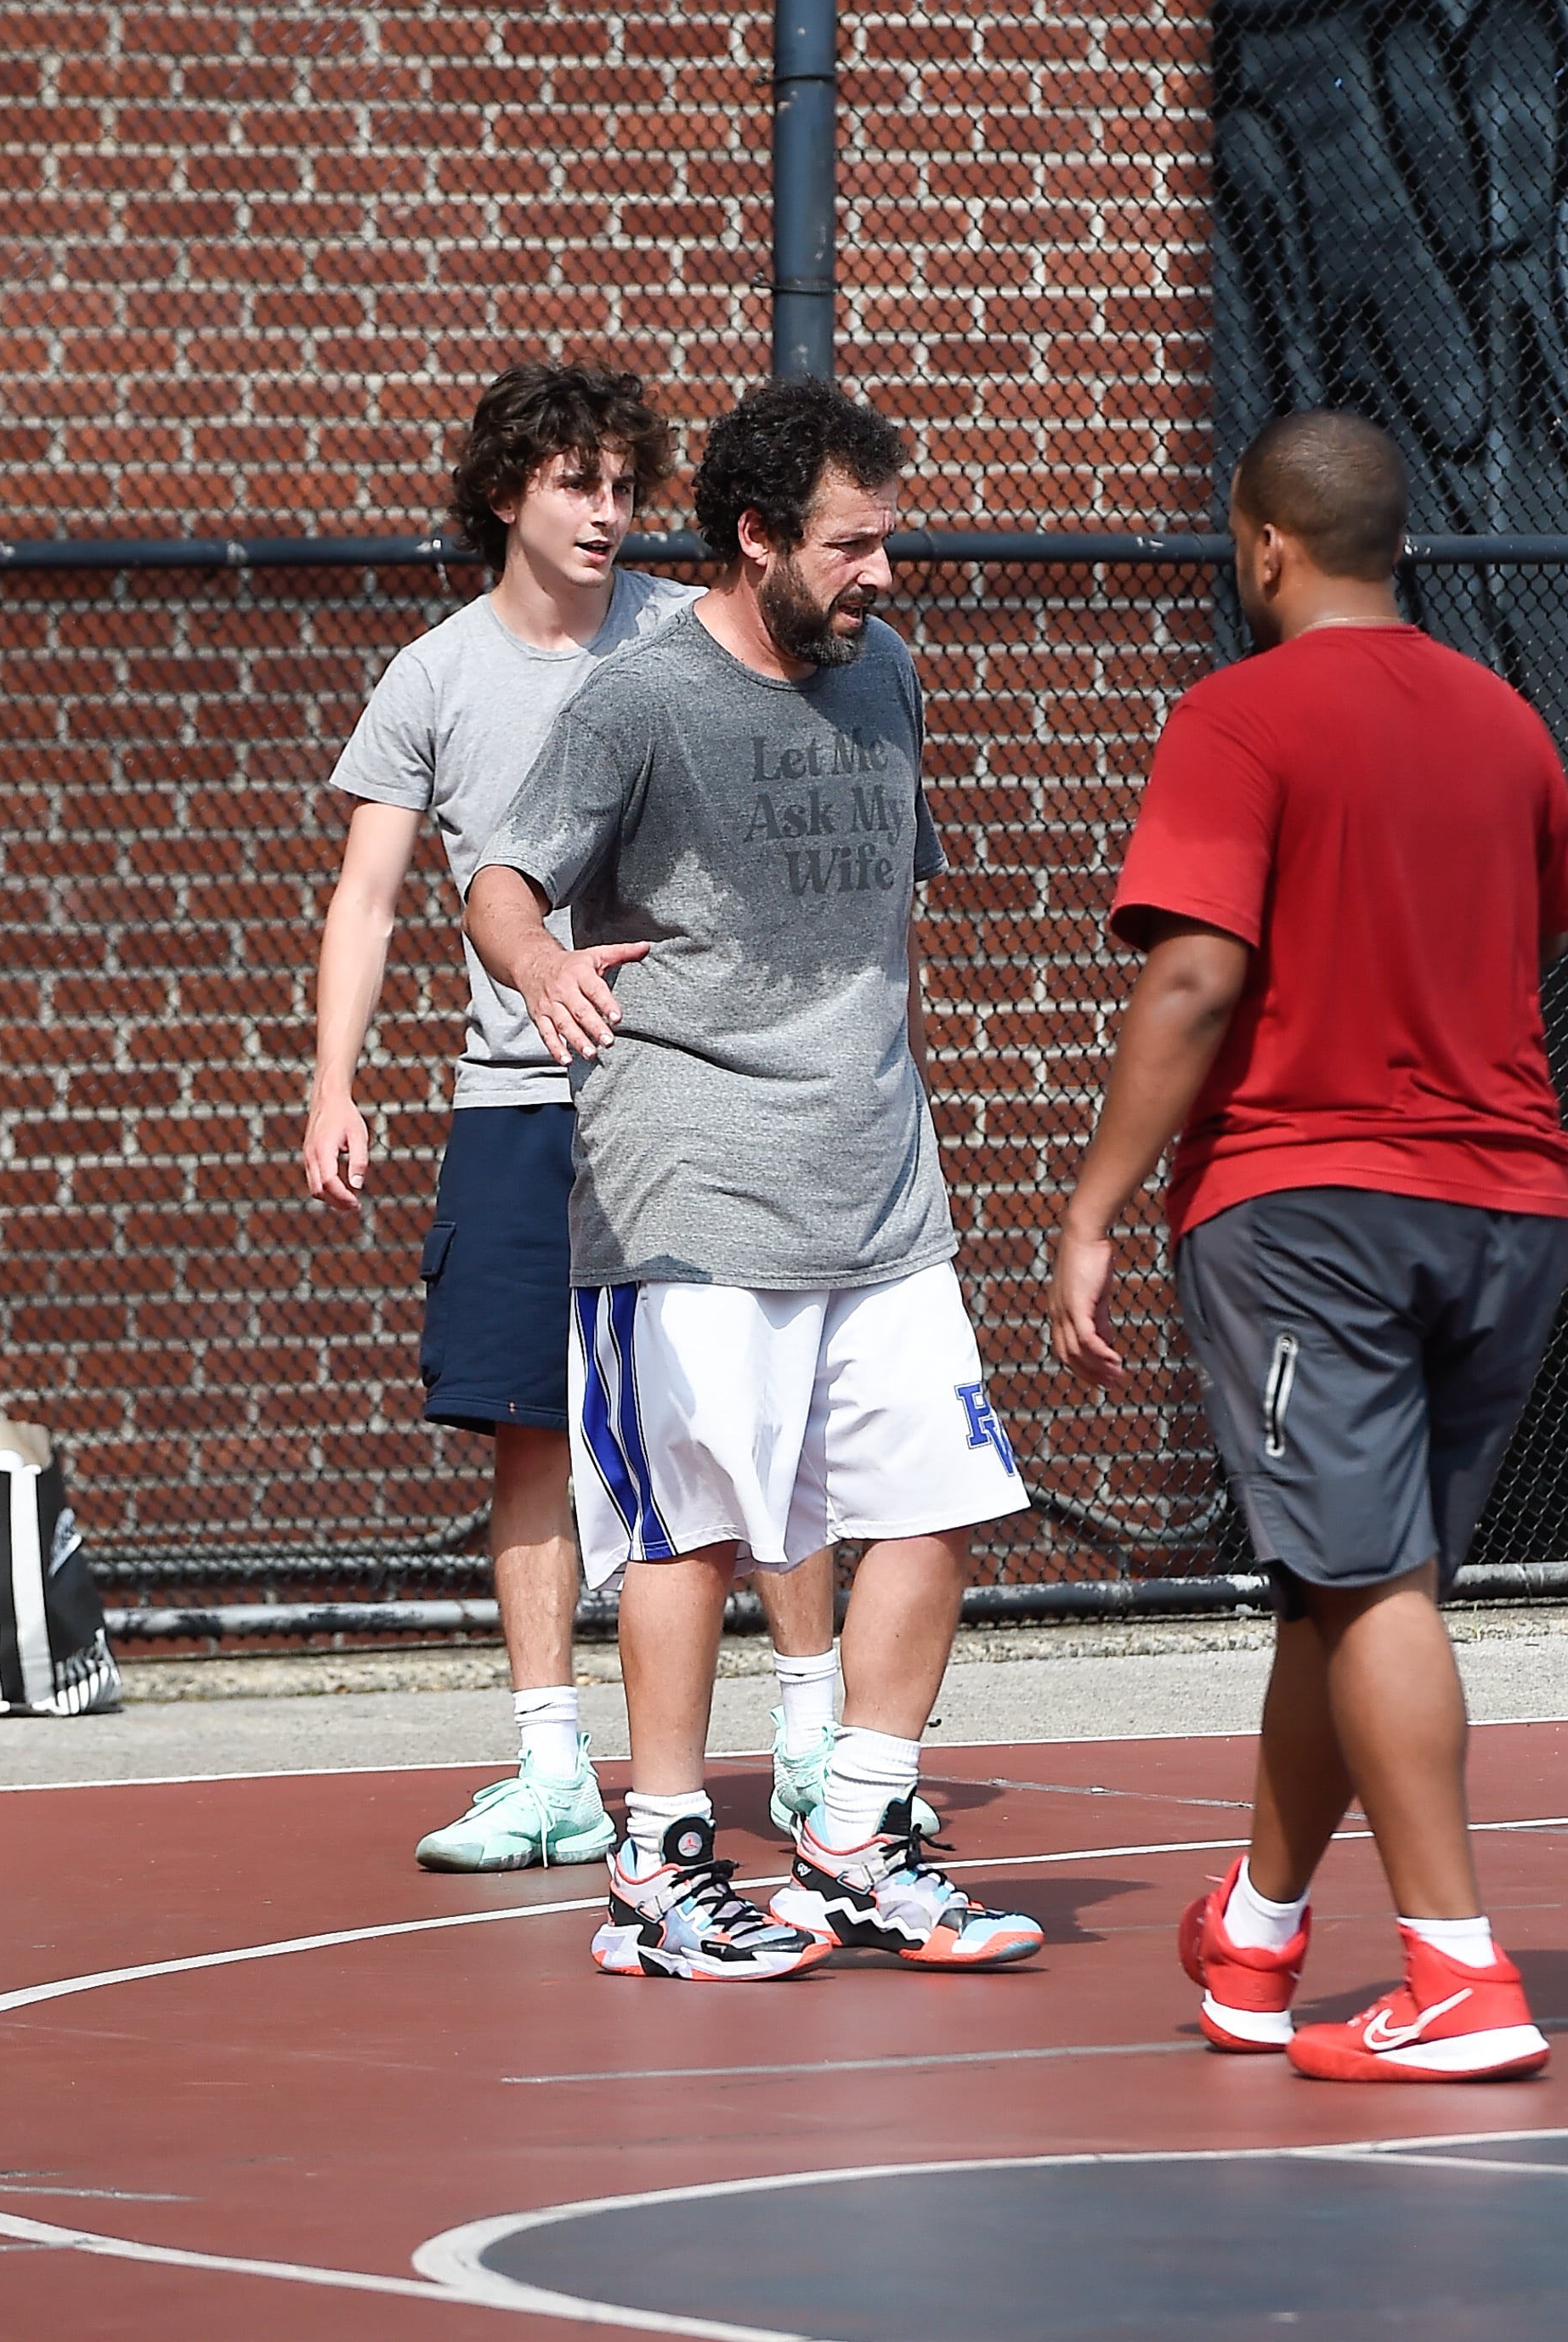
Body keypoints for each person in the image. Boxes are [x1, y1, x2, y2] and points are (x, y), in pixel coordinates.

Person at [467, 376, 1043, 1982]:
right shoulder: (637, 705)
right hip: (691, 1180)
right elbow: (502, 875)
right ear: (755, 536)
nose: (879, 576)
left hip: (878, 1185)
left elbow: (870, 907)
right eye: (851, 546)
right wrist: (538, 964)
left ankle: (857, 1835)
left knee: (937, 1509)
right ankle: (657, 1866)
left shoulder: (885, 680)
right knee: (694, 1531)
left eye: (886, 543)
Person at [1050, 409, 1568, 2082]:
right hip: (1505, 1208)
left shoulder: (1235, 713)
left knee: (1368, 1588)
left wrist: (1093, 1202)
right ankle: (1259, 1934)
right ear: (1395, 540)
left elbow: (1193, 976)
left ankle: (1456, 1972)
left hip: (1306, 1204)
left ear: (1257, 541)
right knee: (1346, 1587)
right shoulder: (1508, 726)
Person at [303, 360, 841, 1875]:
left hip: (691, 1102)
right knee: (530, 1435)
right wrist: (333, 1082)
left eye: (623, 486)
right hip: (517, 1110)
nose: (607, 513)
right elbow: (366, 896)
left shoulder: (690, 636)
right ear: (503, 497)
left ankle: (809, 1743)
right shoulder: (435, 675)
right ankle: (550, 1770)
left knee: (756, 1423)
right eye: (573, 485)